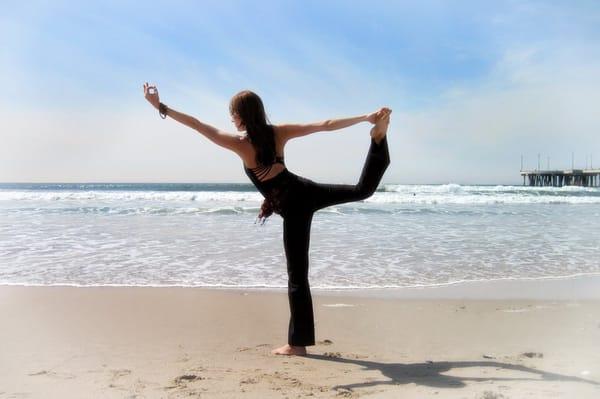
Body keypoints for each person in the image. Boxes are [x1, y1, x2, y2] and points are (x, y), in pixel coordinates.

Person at [143, 83, 391, 356]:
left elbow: (197, 124)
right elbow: (325, 125)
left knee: (297, 277)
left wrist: (160, 107)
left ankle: (297, 345)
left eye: (232, 114)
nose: (231, 119)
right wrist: (365, 118)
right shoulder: (279, 133)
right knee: (362, 190)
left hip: (295, 207)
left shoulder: (240, 144)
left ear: (242, 115)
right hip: (306, 192)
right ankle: (378, 139)